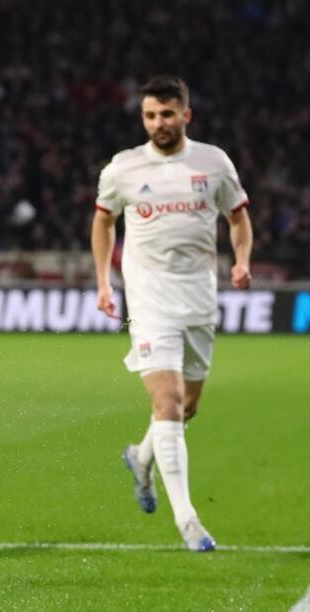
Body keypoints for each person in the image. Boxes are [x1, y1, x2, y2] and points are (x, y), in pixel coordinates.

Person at [91, 75, 252, 553]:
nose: (158, 123)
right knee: (167, 402)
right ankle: (189, 522)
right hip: (150, 298)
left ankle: (141, 459)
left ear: (186, 114)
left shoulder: (213, 163)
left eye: (166, 114)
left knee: (186, 408)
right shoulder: (123, 168)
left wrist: (242, 261)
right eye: (149, 115)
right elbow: (103, 221)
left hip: (199, 297)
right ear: (143, 118)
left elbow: (239, 218)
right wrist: (103, 279)